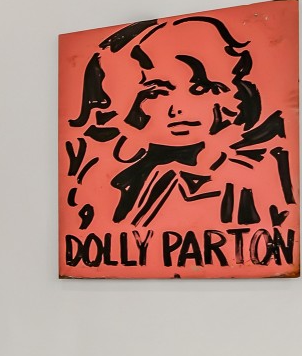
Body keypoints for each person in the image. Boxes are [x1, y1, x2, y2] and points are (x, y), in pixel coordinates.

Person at [64, 14, 293, 232]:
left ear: (230, 96)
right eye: (159, 92)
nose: (176, 109)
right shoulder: (123, 172)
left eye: (199, 89)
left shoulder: (244, 176)